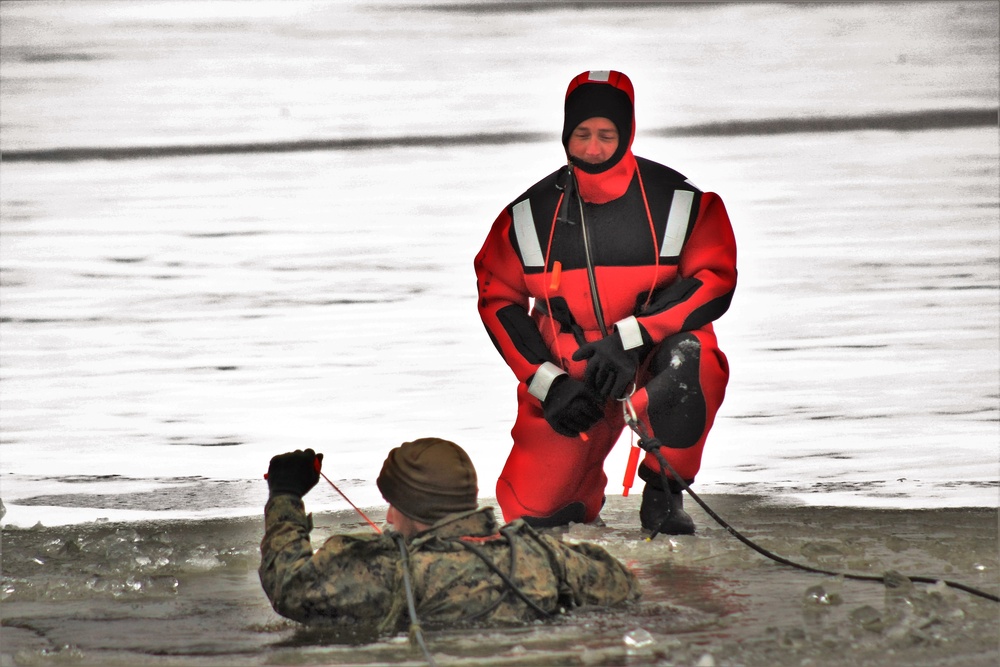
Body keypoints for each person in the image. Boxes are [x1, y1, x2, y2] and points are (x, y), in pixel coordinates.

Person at [474, 70, 737, 534]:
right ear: (565, 135)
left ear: (627, 133)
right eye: (582, 135)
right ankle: (576, 488)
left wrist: (632, 337)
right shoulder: (526, 217)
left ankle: (663, 495)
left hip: (652, 353)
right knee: (533, 515)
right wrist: (547, 384)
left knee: (692, 359)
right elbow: (498, 300)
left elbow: (715, 279)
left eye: (606, 135)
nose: (593, 149)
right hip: (572, 367)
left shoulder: (682, 203)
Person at [258, 439, 640, 632]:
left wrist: (285, 495)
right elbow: (624, 587)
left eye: (393, 504)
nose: (389, 516)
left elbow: (289, 587)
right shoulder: (544, 554)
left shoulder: (388, 570)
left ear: (411, 510)